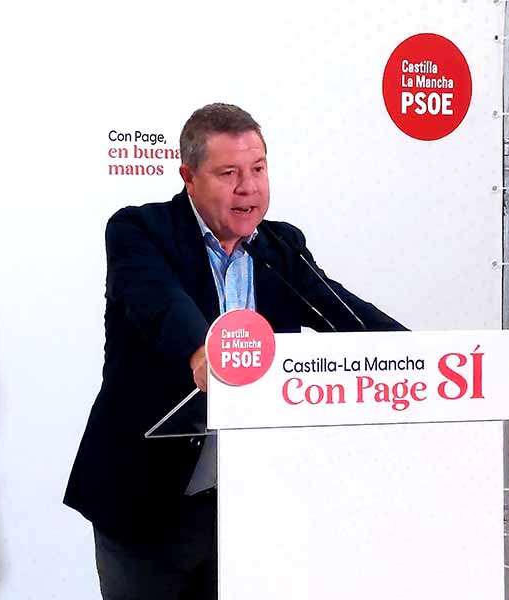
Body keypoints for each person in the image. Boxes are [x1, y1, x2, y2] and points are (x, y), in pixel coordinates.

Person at [64, 103, 404, 599]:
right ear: (189, 177)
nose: (249, 188)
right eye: (229, 174)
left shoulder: (280, 246)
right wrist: (203, 351)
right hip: (145, 503)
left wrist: (424, 357)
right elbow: (160, 303)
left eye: (258, 169)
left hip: (251, 505)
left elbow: (340, 310)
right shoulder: (140, 231)